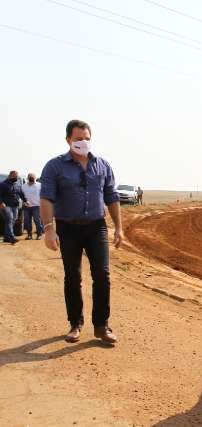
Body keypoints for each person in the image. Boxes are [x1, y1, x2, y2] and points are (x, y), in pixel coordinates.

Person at [40, 119, 123, 345]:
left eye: (86, 138)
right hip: (67, 228)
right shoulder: (54, 167)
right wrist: (49, 229)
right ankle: (75, 324)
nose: (83, 142)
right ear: (68, 140)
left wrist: (119, 229)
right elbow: (46, 198)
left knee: (102, 276)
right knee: (73, 277)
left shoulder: (102, 165)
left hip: (97, 227)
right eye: (78, 139)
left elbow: (112, 197)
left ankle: (101, 326)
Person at [0, 171, 26, 244]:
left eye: (17, 176)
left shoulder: (18, 184)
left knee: (12, 220)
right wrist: (1, 202)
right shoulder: (3, 184)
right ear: (10, 176)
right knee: (9, 219)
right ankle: (12, 237)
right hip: (6, 205)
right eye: (15, 176)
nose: (16, 178)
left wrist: (25, 201)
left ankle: (6, 237)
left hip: (15, 205)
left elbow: (21, 193)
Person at [22, 173, 44, 240]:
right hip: (26, 206)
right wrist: (24, 202)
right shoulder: (23, 186)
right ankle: (29, 235)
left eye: (33, 177)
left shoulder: (39, 185)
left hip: (37, 206)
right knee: (27, 221)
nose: (31, 178)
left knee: (37, 220)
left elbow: (43, 194)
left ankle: (39, 234)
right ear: (28, 178)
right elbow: (21, 195)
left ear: (35, 178)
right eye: (30, 177)